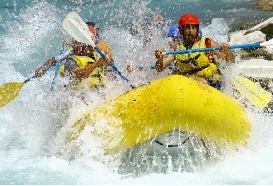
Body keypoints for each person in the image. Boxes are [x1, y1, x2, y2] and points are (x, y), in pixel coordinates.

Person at [155, 13, 235, 90]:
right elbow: (159, 68)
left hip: (212, 82)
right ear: (181, 30)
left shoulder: (208, 43)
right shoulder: (177, 49)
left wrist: (227, 51)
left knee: (192, 78)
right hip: (189, 84)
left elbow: (231, 60)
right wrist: (160, 59)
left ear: (197, 29)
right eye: (187, 28)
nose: (191, 32)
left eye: (193, 28)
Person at [35, 22, 113, 89]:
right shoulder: (71, 59)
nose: (77, 46)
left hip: (100, 89)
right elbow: (78, 75)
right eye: (76, 41)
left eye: (80, 43)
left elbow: (106, 51)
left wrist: (108, 58)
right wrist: (43, 68)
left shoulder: (98, 50)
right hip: (81, 96)